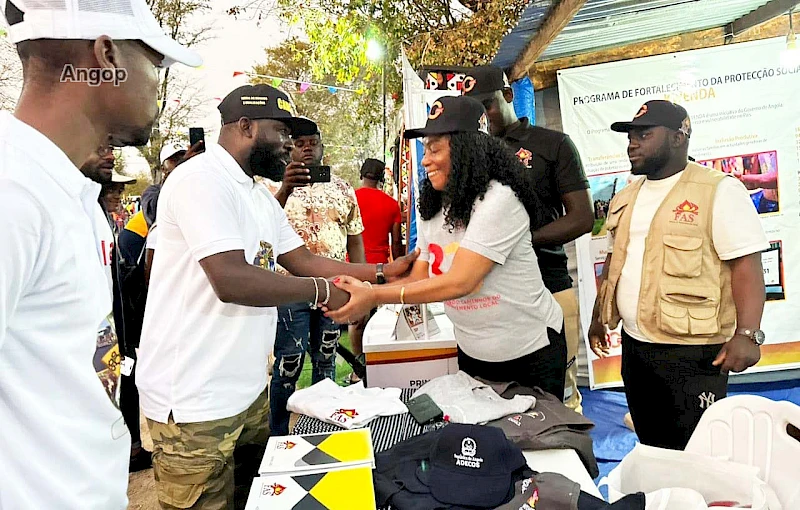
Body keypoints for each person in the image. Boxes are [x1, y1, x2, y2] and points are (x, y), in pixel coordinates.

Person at [136, 84, 417, 510]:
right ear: (245, 127)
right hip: (193, 401)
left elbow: (303, 258)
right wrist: (326, 291)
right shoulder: (200, 179)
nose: (290, 146)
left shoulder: (257, 196)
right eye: (281, 132)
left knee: (256, 499)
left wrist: (382, 273)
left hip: (246, 392)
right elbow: (230, 279)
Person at [0, 0, 201, 507]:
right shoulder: (13, 192)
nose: (161, 82)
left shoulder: (69, 189)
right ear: (106, 54)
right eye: (156, 61)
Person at [327, 96, 567, 399]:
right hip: (472, 352)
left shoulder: (500, 200)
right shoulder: (434, 207)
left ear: (468, 148)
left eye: (435, 148)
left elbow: (463, 281)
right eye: (425, 148)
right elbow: (419, 278)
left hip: (530, 351)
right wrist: (361, 288)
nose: (425, 159)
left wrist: (373, 296)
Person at [589, 100, 768, 450]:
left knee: (698, 449)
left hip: (693, 353)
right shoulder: (626, 196)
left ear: (678, 137)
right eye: (630, 135)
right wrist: (599, 315)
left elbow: (746, 264)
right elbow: (616, 262)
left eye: (645, 134)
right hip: (637, 348)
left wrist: (748, 333)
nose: (632, 143)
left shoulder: (717, 190)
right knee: (653, 443)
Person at [463, 65, 593, 413]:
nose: (482, 117)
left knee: (559, 400)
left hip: (548, 283)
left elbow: (582, 217)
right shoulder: (469, 158)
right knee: (496, 404)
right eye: (473, 110)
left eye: (486, 105)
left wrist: (521, 240)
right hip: (490, 293)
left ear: (508, 96)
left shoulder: (552, 145)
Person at [264, 123, 367, 433]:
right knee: (288, 363)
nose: (307, 148)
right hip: (289, 289)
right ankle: (278, 434)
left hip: (333, 289)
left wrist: (363, 286)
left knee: (326, 359)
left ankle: (326, 430)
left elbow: (355, 239)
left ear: (323, 147)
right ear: (289, 148)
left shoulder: (343, 188)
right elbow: (262, 228)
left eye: (313, 142)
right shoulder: (270, 186)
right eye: (300, 143)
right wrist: (284, 188)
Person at [82, 145, 153, 472]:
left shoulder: (105, 223)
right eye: (111, 189)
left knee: (127, 382)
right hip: (97, 334)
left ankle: (132, 447)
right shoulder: (86, 221)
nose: (118, 195)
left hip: (119, 330)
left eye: (121, 189)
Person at [347, 157, 404, 380]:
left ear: (361, 175)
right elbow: (396, 243)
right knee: (382, 321)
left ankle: (358, 370)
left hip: (352, 267)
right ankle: (381, 368)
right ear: (382, 179)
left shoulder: (349, 198)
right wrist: (399, 270)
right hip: (381, 269)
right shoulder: (391, 204)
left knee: (357, 320)